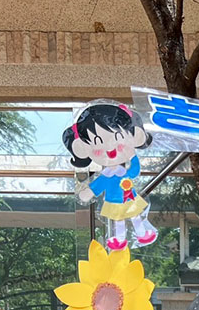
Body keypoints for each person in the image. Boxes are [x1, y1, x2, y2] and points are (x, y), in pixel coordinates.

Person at [62, 102, 158, 251]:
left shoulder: (121, 173)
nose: (110, 149)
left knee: (135, 217)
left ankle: (142, 234)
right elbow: (96, 187)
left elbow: (134, 171)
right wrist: (87, 193)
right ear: (83, 147)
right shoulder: (106, 176)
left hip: (129, 198)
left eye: (118, 136)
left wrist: (132, 155)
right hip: (114, 201)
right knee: (119, 221)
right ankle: (120, 239)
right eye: (98, 142)